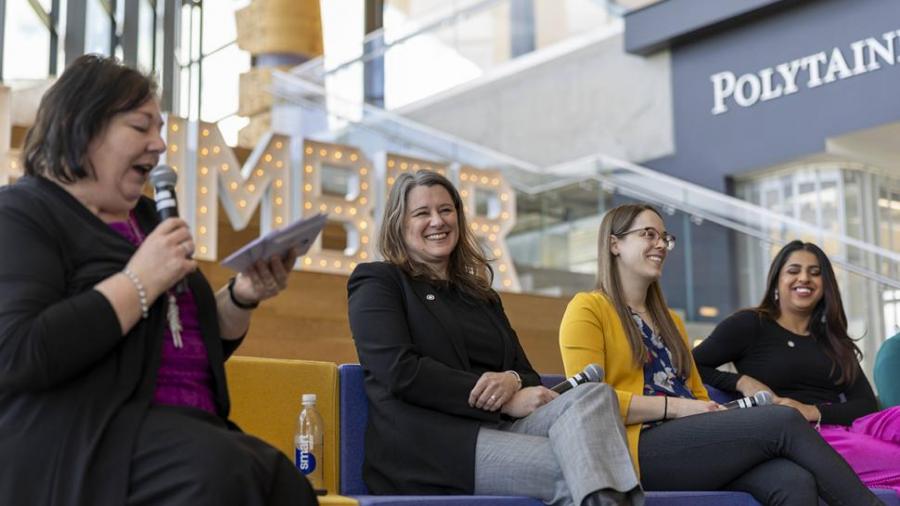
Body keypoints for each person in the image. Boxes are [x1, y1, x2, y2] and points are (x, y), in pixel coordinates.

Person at [0, 55, 316, 506]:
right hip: (84, 440)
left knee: (284, 483)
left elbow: (181, 342)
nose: (160, 144)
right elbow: (19, 352)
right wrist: (139, 281)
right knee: (221, 472)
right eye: (141, 126)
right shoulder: (22, 213)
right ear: (81, 126)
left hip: (186, 428)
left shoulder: (149, 220)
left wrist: (243, 297)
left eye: (161, 128)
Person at [347, 171, 642, 506]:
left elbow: (526, 373)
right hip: (433, 447)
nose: (437, 221)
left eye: (446, 210)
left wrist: (512, 380)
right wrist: (501, 400)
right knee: (583, 465)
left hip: (503, 429)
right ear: (400, 225)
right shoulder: (379, 281)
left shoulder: (480, 296)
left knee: (595, 395)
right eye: (422, 213)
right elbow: (399, 371)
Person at [559, 203, 881, 506]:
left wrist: (713, 411)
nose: (661, 244)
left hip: (689, 439)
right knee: (782, 418)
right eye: (648, 234)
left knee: (793, 482)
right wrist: (678, 408)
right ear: (615, 244)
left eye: (664, 237)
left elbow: (696, 392)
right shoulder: (587, 309)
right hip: (635, 447)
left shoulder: (670, 321)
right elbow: (588, 403)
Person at [693, 240, 900, 494]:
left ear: (826, 285)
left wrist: (812, 410)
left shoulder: (832, 338)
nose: (805, 278)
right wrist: (740, 381)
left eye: (815, 273)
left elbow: (865, 404)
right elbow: (691, 364)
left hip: (838, 422)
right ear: (777, 280)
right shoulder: (750, 324)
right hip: (803, 436)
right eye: (793, 271)